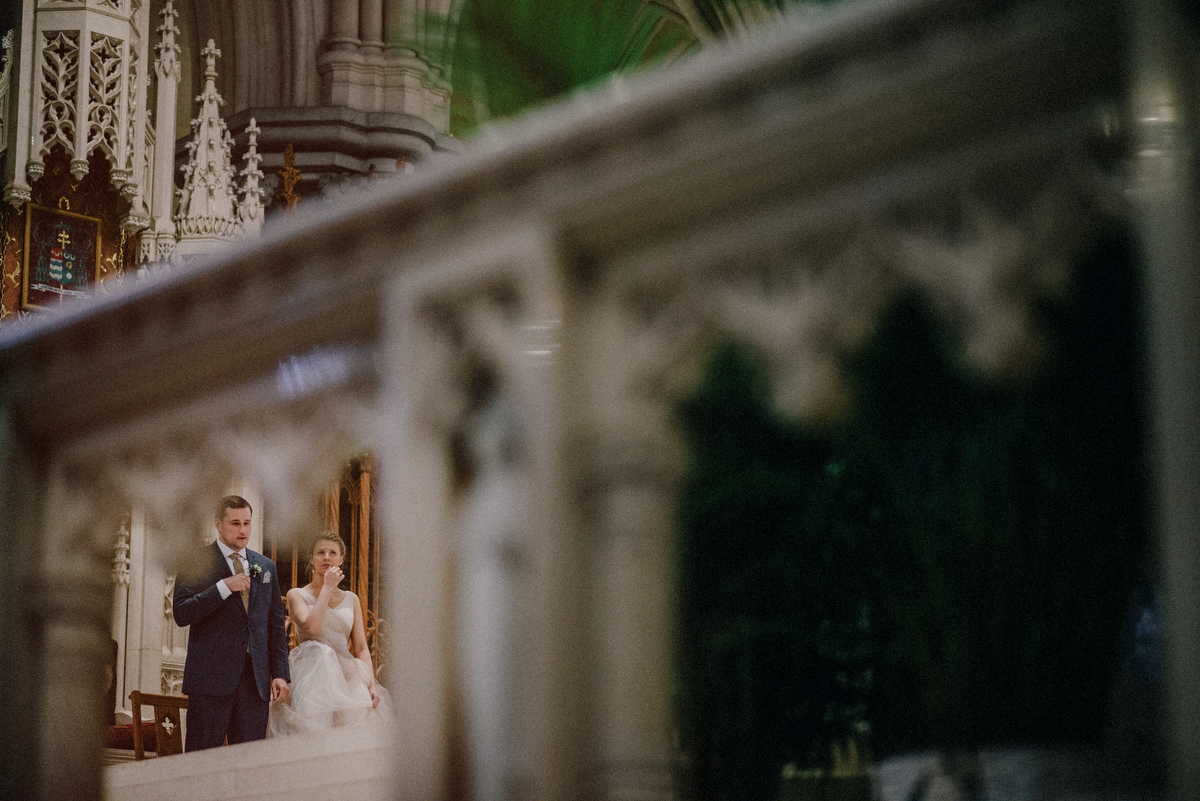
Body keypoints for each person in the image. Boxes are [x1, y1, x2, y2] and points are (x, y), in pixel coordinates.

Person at [172, 496, 291, 751]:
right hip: (210, 680)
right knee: (201, 762)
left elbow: (274, 625)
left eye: (247, 523)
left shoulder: (264, 566)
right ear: (218, 524)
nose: (243, 530)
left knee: (248, 765)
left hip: (254, 682)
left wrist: (280, 673)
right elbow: (181, 613)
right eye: (235, 523)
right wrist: (223, 587)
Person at [268, 533, 392, 736]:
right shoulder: (296, 594)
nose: (326, 557)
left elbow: (361, 648)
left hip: (349, 681)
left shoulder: (351, 599)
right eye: (320, 552)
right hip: (312, 682)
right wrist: (327, 587)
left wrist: (372, 685)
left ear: (341, 559)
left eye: (332, 552)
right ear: (312, 559)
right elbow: (311, 628)